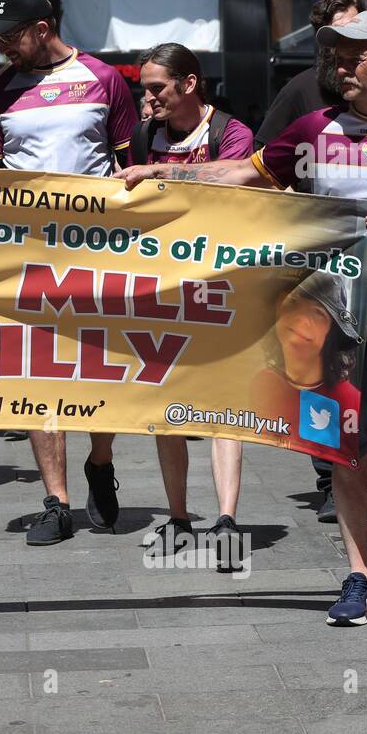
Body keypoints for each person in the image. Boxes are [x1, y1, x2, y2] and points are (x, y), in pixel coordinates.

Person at [124, 10, 367, 640]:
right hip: (332, 316)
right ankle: (358, 578)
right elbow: (239, 175)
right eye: (334, 52)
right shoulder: (313, 129)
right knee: (347, 450)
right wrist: (159, 173)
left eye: (351, 53)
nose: (337, 62)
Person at [0, 0, 138, 546]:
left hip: (99, 256)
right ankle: (56, 502)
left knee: (105, 377)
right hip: (28, 260)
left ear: (42, 29)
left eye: (9, 37)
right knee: (40, 377)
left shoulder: (105, 79)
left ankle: (99, 460)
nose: (1, 49)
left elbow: (131, 173)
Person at [120, 43, 255, 565]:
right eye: (145, 86)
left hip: (221, 288)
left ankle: (226, 521)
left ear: (189, 84)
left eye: (157, 87)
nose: (147, 96)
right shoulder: (142, 136)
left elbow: (240, 186)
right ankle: (177, 518)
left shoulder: (232, 133)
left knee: (224, 408)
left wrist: (162, 176)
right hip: (161, 291)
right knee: (166, 410)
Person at [255, 0, 365, 523]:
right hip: (318, 258)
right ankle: (329, 475)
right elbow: (262, 162)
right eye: (341, 34)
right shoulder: (302, 92)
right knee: (321, 362)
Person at [251, 271, 363, 467]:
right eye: (293, 303)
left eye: (318, 313)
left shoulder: (347, 399)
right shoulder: (260, 382)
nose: (302, 320)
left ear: (332, 332)